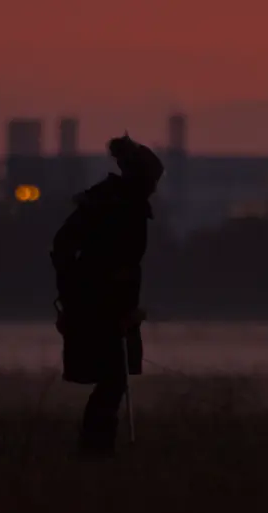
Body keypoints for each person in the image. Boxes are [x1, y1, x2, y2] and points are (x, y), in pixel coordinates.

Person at [51, 133, 163, 458]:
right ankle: (95, 447)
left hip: (118, 304)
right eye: (152, 180)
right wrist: (74, 292)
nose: (155, 187)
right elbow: (63, 247)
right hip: (96, 303)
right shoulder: (103, 203)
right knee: (113, 377)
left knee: (115, 377)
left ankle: (97, 447)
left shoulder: (129, 205)